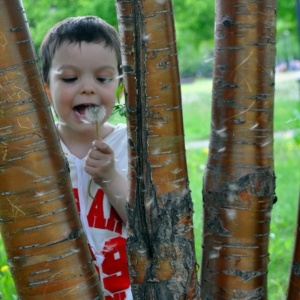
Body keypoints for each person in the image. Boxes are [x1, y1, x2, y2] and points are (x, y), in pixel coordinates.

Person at [39, 16, 132, 299]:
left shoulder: (128, 143)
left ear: (118, 87)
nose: (88, 88)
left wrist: (110, 178)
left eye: (102, 78)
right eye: (70, 78)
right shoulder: (39, 149)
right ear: (46, 89)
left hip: (126, 291)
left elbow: (145, 221)